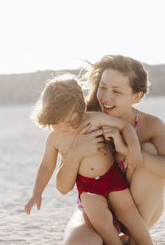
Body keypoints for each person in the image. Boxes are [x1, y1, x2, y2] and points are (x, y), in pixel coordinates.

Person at [57, 55, 165, 245]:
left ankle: (134, 237)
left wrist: (129, 150)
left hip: (136, 210)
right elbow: (62, 187)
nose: (106, 97)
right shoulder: (86, 120)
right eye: (103, 87)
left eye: (116, 91)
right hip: (94, 209)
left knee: (148, 150)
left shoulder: (150, 126)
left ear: (136, 96)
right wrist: (77, 152)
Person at [24, 75, 153, 245]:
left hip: (111, 176)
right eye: (58, 123)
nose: (66, 127)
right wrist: (37, 192)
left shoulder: (93, 119)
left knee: (129, 214)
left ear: (80, 109)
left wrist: (134, 150)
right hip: (88, 187)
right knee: (102, 222)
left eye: (71, 121)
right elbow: (47, 166)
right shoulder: (54, 139)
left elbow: (125, 126)